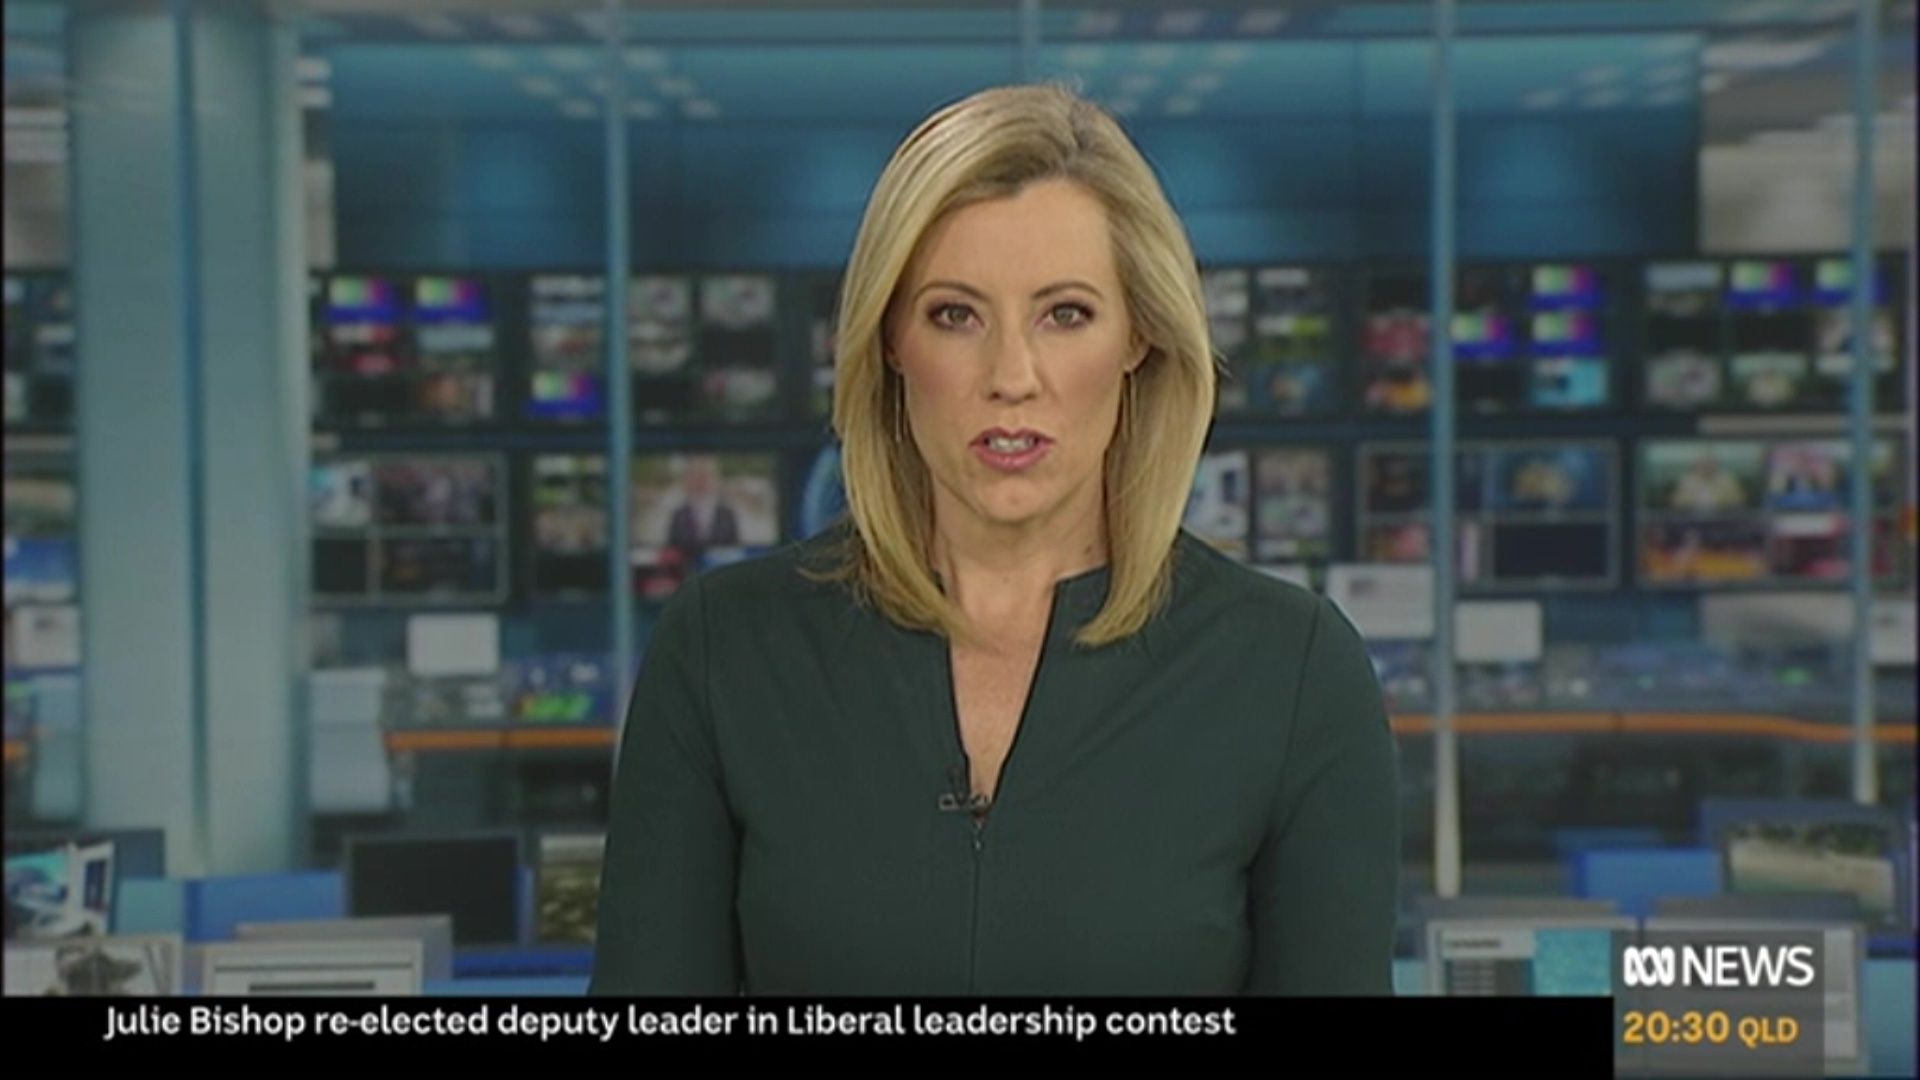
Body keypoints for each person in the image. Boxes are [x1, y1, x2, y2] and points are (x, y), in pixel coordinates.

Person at [591, 84, 1400, 996]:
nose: (1012, 377)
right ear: (890, 339)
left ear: (1138, 336)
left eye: (1065, 314)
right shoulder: (724, 650)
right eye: (955, 315)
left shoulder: (1291, 672)